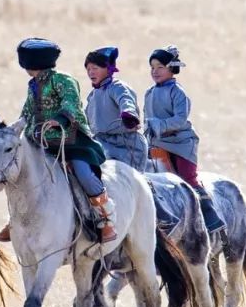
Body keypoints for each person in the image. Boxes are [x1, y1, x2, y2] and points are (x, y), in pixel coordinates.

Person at [0, 38, 116, 243]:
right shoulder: (32, 85)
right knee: (19, 172)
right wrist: (10, 130)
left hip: (72, 143)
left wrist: (58, 120)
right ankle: (15, 219)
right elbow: (27, 113)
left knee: (84, 174)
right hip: (40, 143)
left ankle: (105, 218)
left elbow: (71, 106)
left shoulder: (64, 80)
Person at [144, 45, 225, 235]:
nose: (155, 71)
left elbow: (180, 120)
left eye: (160, 67)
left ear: (171, 69)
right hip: (157, 143)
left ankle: (210, 216)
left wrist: (157, 125)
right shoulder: (149, 93)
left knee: (188, 178)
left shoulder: (178, 92)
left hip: (181, 143)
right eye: (152, 67)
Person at [83, 46, 147, 170]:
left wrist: (129, 115)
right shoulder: (92, 95)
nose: (91, 72)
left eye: (95, 68)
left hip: (125, 145)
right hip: (101, 145)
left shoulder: (117, 87)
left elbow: (125, 100)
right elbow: (86, 120)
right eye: (88, 69)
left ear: (108, 68)